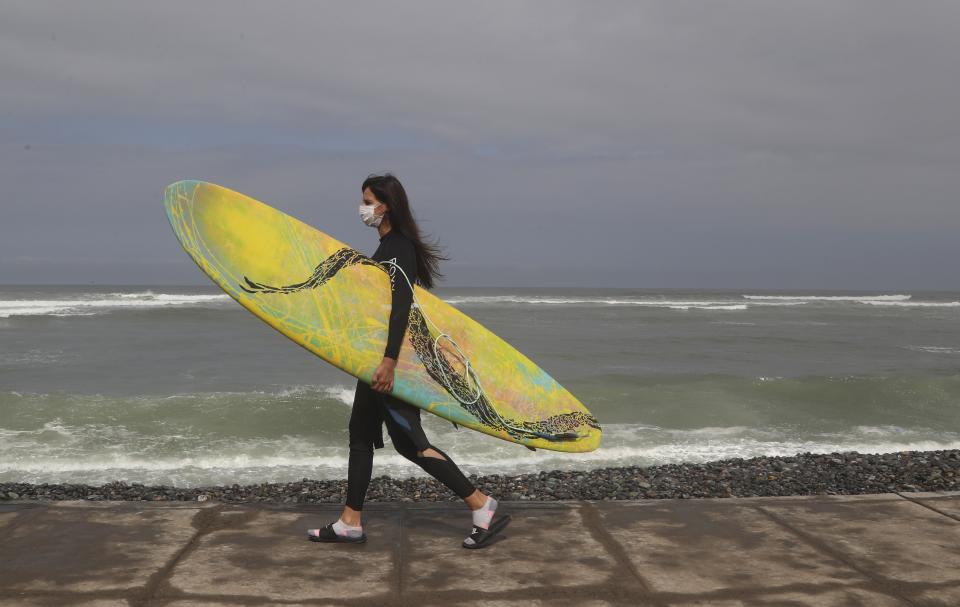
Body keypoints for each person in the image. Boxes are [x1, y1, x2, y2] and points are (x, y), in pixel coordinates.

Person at [308, 173, 510, 549]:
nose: (363, 208)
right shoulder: (388, 246)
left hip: (389, 363)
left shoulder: (398, 247)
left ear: (385, 205)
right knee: (361, 436)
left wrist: (387, 361)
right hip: (375, 361)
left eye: (368, 201)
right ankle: (350, 521)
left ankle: (481, 503)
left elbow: (401, 307)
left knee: (412, 444)